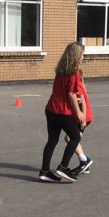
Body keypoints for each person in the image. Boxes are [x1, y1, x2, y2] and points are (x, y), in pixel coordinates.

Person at [39, 42, 85, 183]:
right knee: (75, 137)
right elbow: (71, 93)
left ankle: (44, 171)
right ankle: (63, 167)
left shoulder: (60, 70)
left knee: (52, 140)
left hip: (51, 109)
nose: (83, 57)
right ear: (77, 55)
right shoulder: (74, 72)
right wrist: (79, 113)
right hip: (62, 112)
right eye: (82, 54)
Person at [66, 72, 94, 177]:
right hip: (83, 117)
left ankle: (84, 161)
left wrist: (83, 119)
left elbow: (82, 101)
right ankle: (85, 164)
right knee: (73, 138)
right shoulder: (80, 84)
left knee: (70, 138)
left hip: (84, 117)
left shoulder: (77, 85)